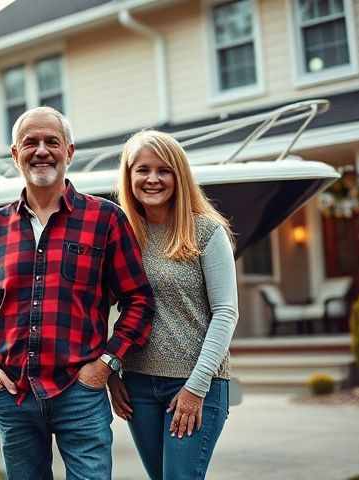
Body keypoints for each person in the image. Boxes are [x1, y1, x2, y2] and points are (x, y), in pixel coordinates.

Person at [0, 106, 155, 479]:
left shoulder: (106, 219)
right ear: (15, 155)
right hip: (13, 393)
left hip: (80, 392)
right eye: (30, 142)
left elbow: (139, 300)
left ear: (69, 151)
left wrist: (106, 365)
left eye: (52, 141)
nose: (42, 150)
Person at [108, 130, 239, 479]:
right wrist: (111, 371)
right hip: (136, 385)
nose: (153, 179)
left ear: (178, 175)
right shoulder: (121, 236)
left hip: (197, 382)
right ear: (129, 175)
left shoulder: (207, 233)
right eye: (143, 169)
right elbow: (100, 308)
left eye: (163, 170)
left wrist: (195, 389)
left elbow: (226, 313)